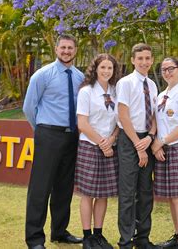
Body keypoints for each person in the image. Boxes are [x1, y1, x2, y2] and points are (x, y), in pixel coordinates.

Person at [22, 34, 84, 249]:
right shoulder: (42, 75)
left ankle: (59, 232)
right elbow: (29, 108)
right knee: (40, 188)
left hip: (71, 136)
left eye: (70, 47)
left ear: (75, 50)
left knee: (64, 188)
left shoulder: (79, 77)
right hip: (48, 134)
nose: (66, 51)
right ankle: (34, 239)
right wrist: (40, 130)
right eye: (63, 47)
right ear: (56, 49)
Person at [75, 54, 120, 249]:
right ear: (95, 69)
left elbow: (120, 122)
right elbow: (82, 124)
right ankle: (87, 237)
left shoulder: (116, 92)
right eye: (103, 67)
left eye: (110, 68)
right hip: (90, 147)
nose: (106, 71)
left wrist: (111, 139)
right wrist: (103, 143)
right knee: (88, 194)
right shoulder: (86, 92)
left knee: (103, 194)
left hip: (110, 145)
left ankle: (98, 235)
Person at [116, 43, 158, 249]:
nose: (144, 62)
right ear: (133, 60)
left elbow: (154, 115)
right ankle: (125, 240)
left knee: (145, 191)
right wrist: (138, 146)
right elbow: (123, 115)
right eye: (140, 58)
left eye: (147, 58)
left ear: (152, 60)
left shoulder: (152, 85)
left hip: (146, 138)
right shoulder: (125, 83)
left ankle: (142, 238)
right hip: (129, 138)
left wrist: (150, 137)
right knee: (127, 192)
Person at [152, 57, 178, 249]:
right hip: (163, 149)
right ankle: (176, 236)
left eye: (171, 68)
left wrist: (162, 141)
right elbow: (159, 124)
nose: (167, 72)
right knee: (170, 195)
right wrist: (158, 145)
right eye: (164, 69)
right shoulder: (160, 96)